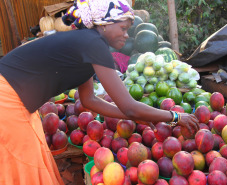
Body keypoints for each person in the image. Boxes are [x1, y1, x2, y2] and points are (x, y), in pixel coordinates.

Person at [0, 0, 199, 184]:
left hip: (16, 101)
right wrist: (174, 117)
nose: (127, 35)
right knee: (22, 171)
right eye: (123, 28)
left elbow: (89, 100)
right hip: (7, 102)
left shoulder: (87, 43)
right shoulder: (93, 42)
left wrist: (140, 116)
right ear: (103, 25)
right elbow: (129, 107)